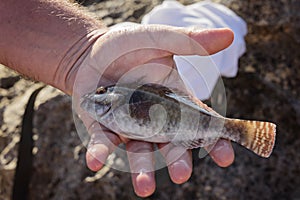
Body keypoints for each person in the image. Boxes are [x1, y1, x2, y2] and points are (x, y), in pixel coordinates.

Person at [0, 0, 235, 197]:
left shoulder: (120, 102)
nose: (95, 96)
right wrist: (76, 54)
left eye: (101, 93)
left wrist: (81, 49)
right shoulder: (116, 103)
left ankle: (234, 129)